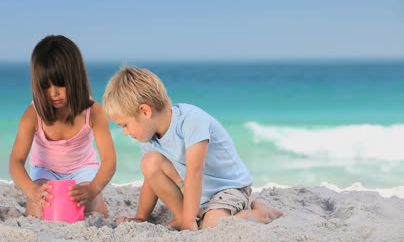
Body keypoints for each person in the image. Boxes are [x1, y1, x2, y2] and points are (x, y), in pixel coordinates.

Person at [102, 67, 283, 230]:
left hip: (227, 189)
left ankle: (261, 213)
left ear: (145, 111)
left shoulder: (191, 120)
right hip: (197, 194)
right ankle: (184, 216)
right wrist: (141, 217)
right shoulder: (149, 137)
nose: (125, 132)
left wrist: (189, 222)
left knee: (212, 223)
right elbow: (151, 179)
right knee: (149, 162)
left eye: (124, 125)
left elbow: (195, 171)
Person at [9, 35, 116, 218]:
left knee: (90, 208)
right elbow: (16, 162)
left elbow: (109, 161)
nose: (53, 93)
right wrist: (32, 190)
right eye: (45, 86)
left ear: (76, 78)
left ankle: (100, 204)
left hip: (83, 170)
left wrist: (93, 189)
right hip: (45, 171)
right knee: (38, 209)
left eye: (61, 84)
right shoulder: (33, 115)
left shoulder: (94, 112)